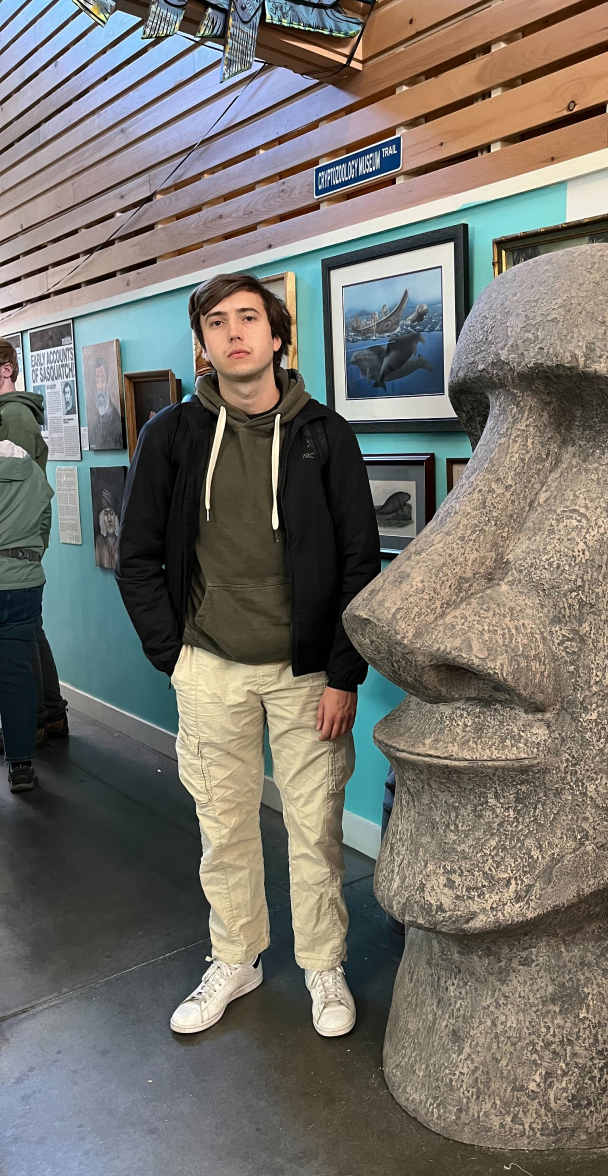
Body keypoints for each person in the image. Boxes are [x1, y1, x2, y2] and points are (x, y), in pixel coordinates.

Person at [116, 273, 379, 1038]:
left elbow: (360, 562)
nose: (233, 333)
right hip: (208, 668)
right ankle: (237, 958)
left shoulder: (324, 435)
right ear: (201, 343)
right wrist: (174, 656)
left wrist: (343, 672)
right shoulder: (171, 435)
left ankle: (323, 967)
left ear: (276, 336)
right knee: (223, 825)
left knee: (315, 826)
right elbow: (138, 558)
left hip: (307, 678)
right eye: (216, 322)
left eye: (248, 319)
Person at [0, 340, 51, 792]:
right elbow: (43, 507)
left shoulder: (13, 418)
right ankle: (23, 758)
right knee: (18, 664)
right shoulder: (30, 472)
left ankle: (39, 725)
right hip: (23, 572)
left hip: (11, 570)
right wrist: (32, 551)